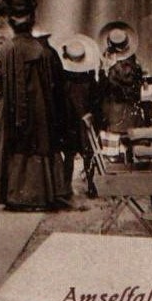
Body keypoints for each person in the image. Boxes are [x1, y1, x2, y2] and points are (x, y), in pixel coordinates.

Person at [0, 3, 72, 211]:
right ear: (32, 22)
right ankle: (45, 193)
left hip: (13, 107)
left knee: (15, 144)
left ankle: (15, 195)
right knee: (41, 143)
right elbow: (57, 82)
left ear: (12, 24)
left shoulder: (5, 49)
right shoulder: (43, 50)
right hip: (41, 108)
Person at [57, 33, 103, 198]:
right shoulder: (90, 79)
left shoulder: (63, 80)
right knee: (87, 153)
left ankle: (65, 186)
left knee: (68, 155)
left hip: (69, 121)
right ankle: (90, 185)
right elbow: (96, 100)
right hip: (86, 121)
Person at [97, 21, 145, 136]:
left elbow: (104, 88)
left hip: (114, 112)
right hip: (130, 110)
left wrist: (104, 71)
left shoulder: (109, 65)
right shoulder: (133, 62)